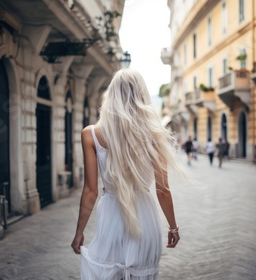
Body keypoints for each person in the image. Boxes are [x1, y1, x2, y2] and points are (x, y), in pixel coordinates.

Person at [71, 69, 184, 279]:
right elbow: (163, 190)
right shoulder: (153, 134)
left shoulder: (91, 134)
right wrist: (173, 227)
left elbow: (90, 191)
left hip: (111, 215)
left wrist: (79, 233)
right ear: (142, 95)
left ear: (111, 96)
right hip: (144, 216)